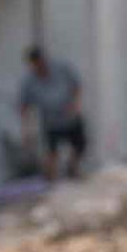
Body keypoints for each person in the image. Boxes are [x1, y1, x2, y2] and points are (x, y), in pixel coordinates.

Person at [19, 46, 85, 181]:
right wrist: (25, 129)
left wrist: (76, 104)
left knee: (79, 145)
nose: (38, 66)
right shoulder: (29, 81)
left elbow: (76, 85)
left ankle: (72, 168)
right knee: (51, 151)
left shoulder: (61, 68)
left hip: (69, 115)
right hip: (50, 121)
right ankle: (50, 179)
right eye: (35, 64)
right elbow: (24, 105)